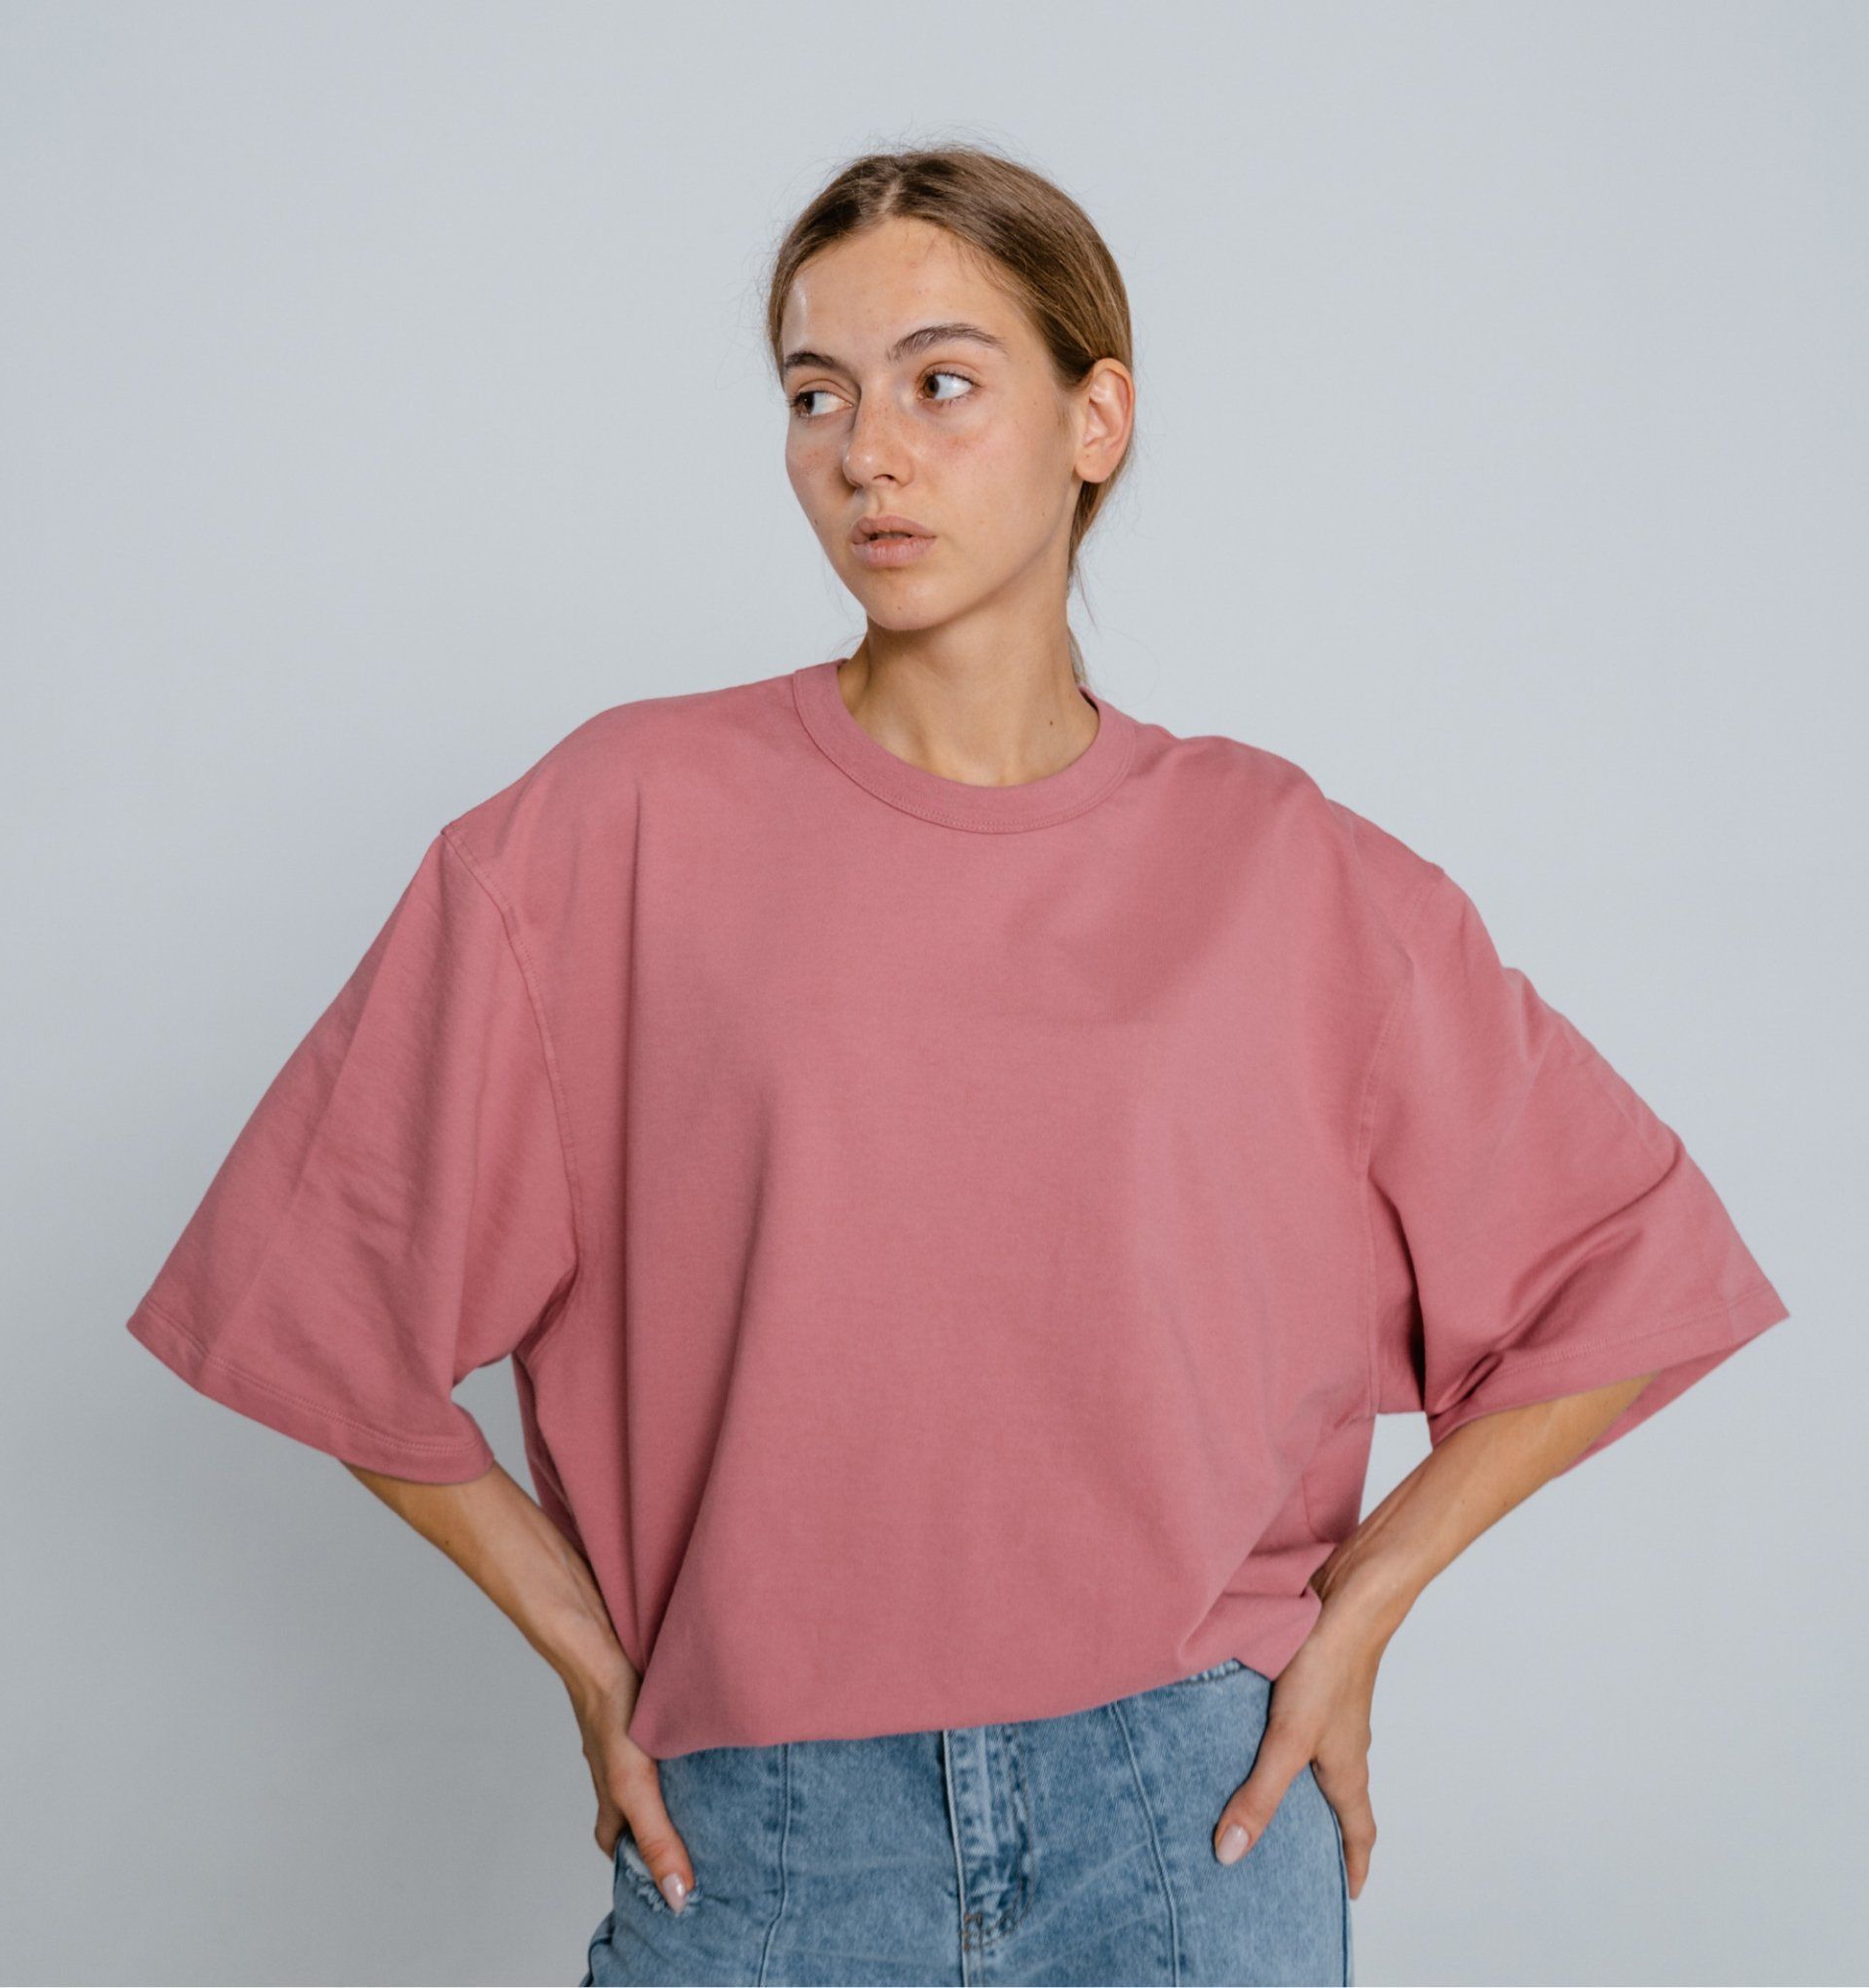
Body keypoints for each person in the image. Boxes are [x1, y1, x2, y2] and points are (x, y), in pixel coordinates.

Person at [125, 144, 1790, 1988]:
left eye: (939, 381)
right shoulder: (618, 825)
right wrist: (599, 1661)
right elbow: (314, 1289)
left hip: (1190, 1817)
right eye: (815, 393)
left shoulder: (1283, 865)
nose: (867, 452)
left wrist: (1366, 1599)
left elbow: (1626, 1266)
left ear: (1098, 418)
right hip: (764, 1838)